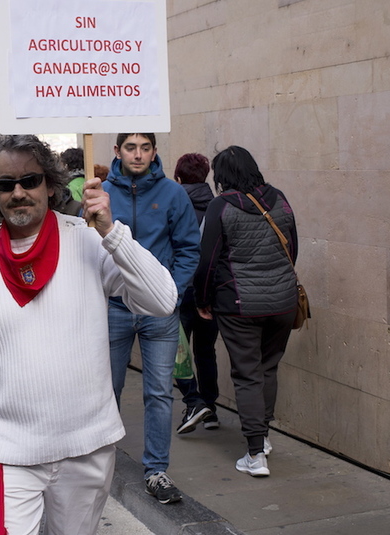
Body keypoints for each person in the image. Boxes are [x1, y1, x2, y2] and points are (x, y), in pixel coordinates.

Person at [0, 134, 177, 535]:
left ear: (51, 185)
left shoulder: (89, 240)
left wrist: (112, 233)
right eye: (5, 184)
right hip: (4, 451)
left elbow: (162, 299)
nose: (18, 192)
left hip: (87, 448)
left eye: (30, 180)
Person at [103, 133, 201, 504]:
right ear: (118, 151)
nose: (139, 154)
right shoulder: (104, 194)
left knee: (159, 392)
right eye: (131, 147)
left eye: (145, 148)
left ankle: (156, 470)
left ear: (155, 152)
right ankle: (102, 461)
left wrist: (170, 292)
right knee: (107, 389)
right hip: (115, 308)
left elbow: (189, 248)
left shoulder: (173, 195)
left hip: (159, 313)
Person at [193, 145, 299, 477]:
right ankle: (263, 438)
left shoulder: (220, 206)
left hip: (239, 305)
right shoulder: (279, 198)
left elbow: (207, 261)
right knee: (268, 369)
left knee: (247, 374)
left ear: (222, 176)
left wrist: (203, 299)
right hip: (282, 302)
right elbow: (291, 247)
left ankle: (255, 455)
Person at [172, 153, 221, 433]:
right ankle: (210, 408)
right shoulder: (216, 205)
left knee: (176, 352)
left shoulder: (175, 204)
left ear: (178, 177)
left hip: (181, 289)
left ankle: (193, 401)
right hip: (208, 292)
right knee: (205, 351)